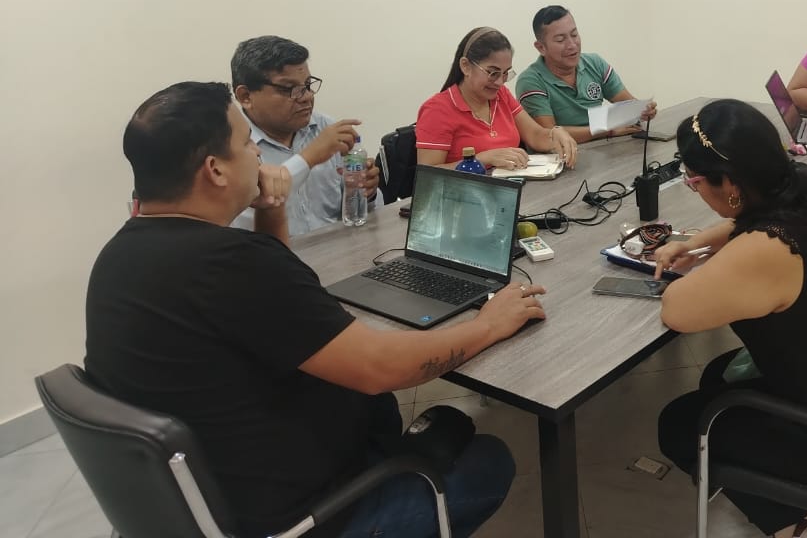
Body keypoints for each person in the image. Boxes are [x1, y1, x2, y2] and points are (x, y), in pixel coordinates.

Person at [86, 81, 543, 538]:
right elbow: (379, 369)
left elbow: (277, 301)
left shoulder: (120, 255)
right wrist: (488, 325)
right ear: (215, 170)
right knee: (489, 460)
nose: (258, 155)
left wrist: (271, 208)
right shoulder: (229, 263)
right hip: (304, 516)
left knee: (420, 419)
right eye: (246, 144)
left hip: (215, 490)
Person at [650, 100, 807, 538]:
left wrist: (713, 263)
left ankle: (792, 526)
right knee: (716, 377)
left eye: (694, 182)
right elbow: (750, 221)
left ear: (731, 183)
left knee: (678, 423)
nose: (697, 190)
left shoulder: (771, 247)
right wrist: (693, 243)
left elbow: (677, 311)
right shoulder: (805, 185)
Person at [230, 35, 380, 236]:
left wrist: (367, 192)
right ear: (246, 96)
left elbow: (364, 213)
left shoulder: (325, 127)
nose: (307, 97)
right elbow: (243, 222)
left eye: (308, 85)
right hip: (276, 253)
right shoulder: (232, 147)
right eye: (289, 89)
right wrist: (309, 157)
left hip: (340, 248)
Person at [416, 26, 578, 170]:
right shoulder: (438, 110)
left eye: (506, 73)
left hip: (512, 186)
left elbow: (534, 135)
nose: (500, 82)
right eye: (493, 73)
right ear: (465, 66)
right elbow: (429, 175)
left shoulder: (501, 95)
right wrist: (481, 159)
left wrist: (555, 135)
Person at [515, 5, 657, 143]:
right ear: (541, 47)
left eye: (574, 35)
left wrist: (643, 111)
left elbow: (629, 106)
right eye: (560, 40)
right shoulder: (530, 81)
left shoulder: (595, 63)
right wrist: (606, 130)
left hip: (604, 147)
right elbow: (549, 134)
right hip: (563, 154)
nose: (572, 45)